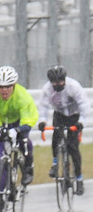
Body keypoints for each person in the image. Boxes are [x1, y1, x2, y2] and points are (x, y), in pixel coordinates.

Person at [0, 65, 38, 212]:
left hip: (20, 122)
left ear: (14, 85)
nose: (4, 90)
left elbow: (29, 117)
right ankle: (0, 198)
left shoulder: (22, 95)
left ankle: (29, 165)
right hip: (2, 125)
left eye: (8, 86)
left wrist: (20, 130)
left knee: (24, 143)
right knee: (3, 159)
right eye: (0, 87)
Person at [37, 65, 89, 195]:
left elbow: (84, 105)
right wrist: (42, 121)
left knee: (73, 147)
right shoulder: (47, 89)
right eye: (54, 82)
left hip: (74, 116)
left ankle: (79, 178)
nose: (57, 85)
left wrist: (81, 122)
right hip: (59, 115)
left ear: (64, 79)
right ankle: (55, 164)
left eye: (60, 82)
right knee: (56, 138)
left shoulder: (74, 87)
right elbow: (43, 106)